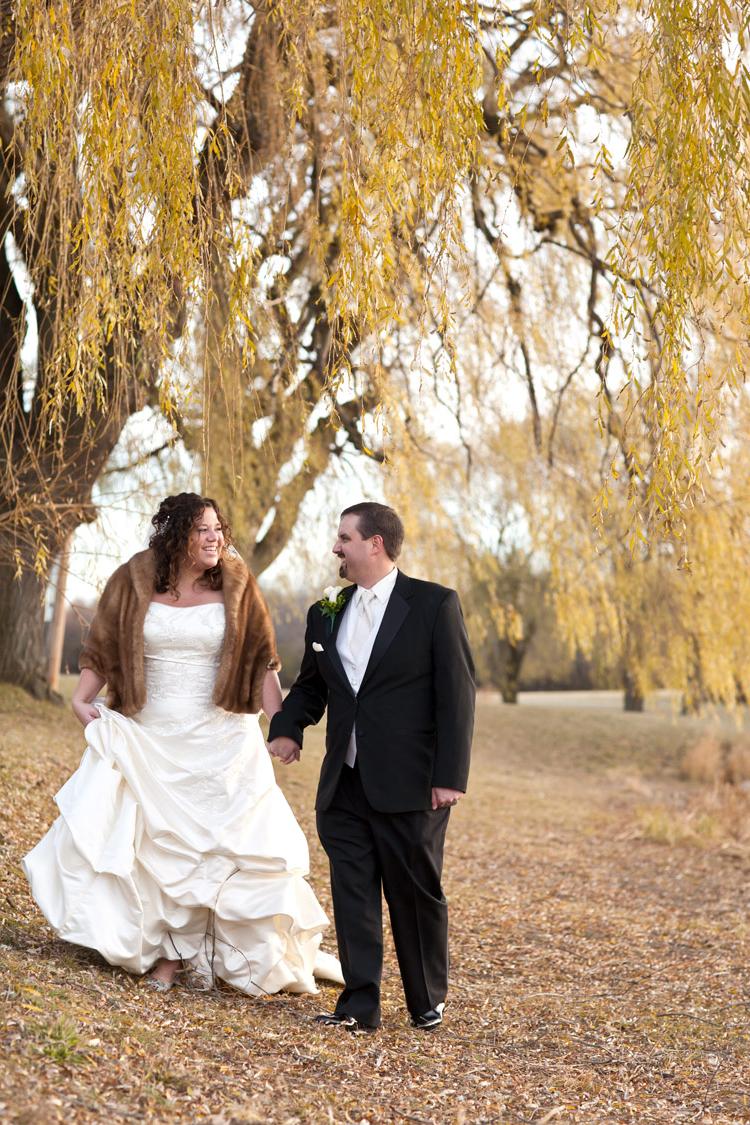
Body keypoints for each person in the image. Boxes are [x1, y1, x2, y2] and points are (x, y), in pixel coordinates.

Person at [23, 493, 342, 996]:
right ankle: (156, 948)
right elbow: (103, 642)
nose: (215, 538)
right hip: (150, 730)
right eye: (202, 531)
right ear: (175, 536)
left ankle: (183, 956)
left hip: (221, 734)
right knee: (156, 844)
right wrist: (82, 698)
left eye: (218, 529)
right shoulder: (134, 578)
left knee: (214, 847)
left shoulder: (238, 584)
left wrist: (281, 726)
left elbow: (262, 660)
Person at [268, 501, 475, 1032]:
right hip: (345, 781)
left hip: (413, 783)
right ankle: (359, 1006)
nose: (336, 547)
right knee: (353, 891)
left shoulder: (432, 605)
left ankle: (426, 998)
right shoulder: (326, 612)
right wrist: (289, 727)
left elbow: (457, 694)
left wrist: (449, 775)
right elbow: (313, 686)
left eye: (344, 537)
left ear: (375, 543)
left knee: (413, 892)